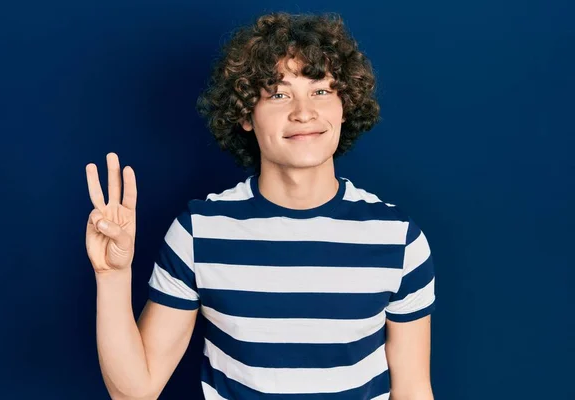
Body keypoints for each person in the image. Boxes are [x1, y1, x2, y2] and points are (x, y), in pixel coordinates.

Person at [85, 12, 436, 400]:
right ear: (245, 114)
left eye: (320, 90)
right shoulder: (199, 232)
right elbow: (134, 392)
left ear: (345, 105)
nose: (304, 112)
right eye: (278, 94)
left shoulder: (399, 239)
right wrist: (112, 277)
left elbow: (414, 389)